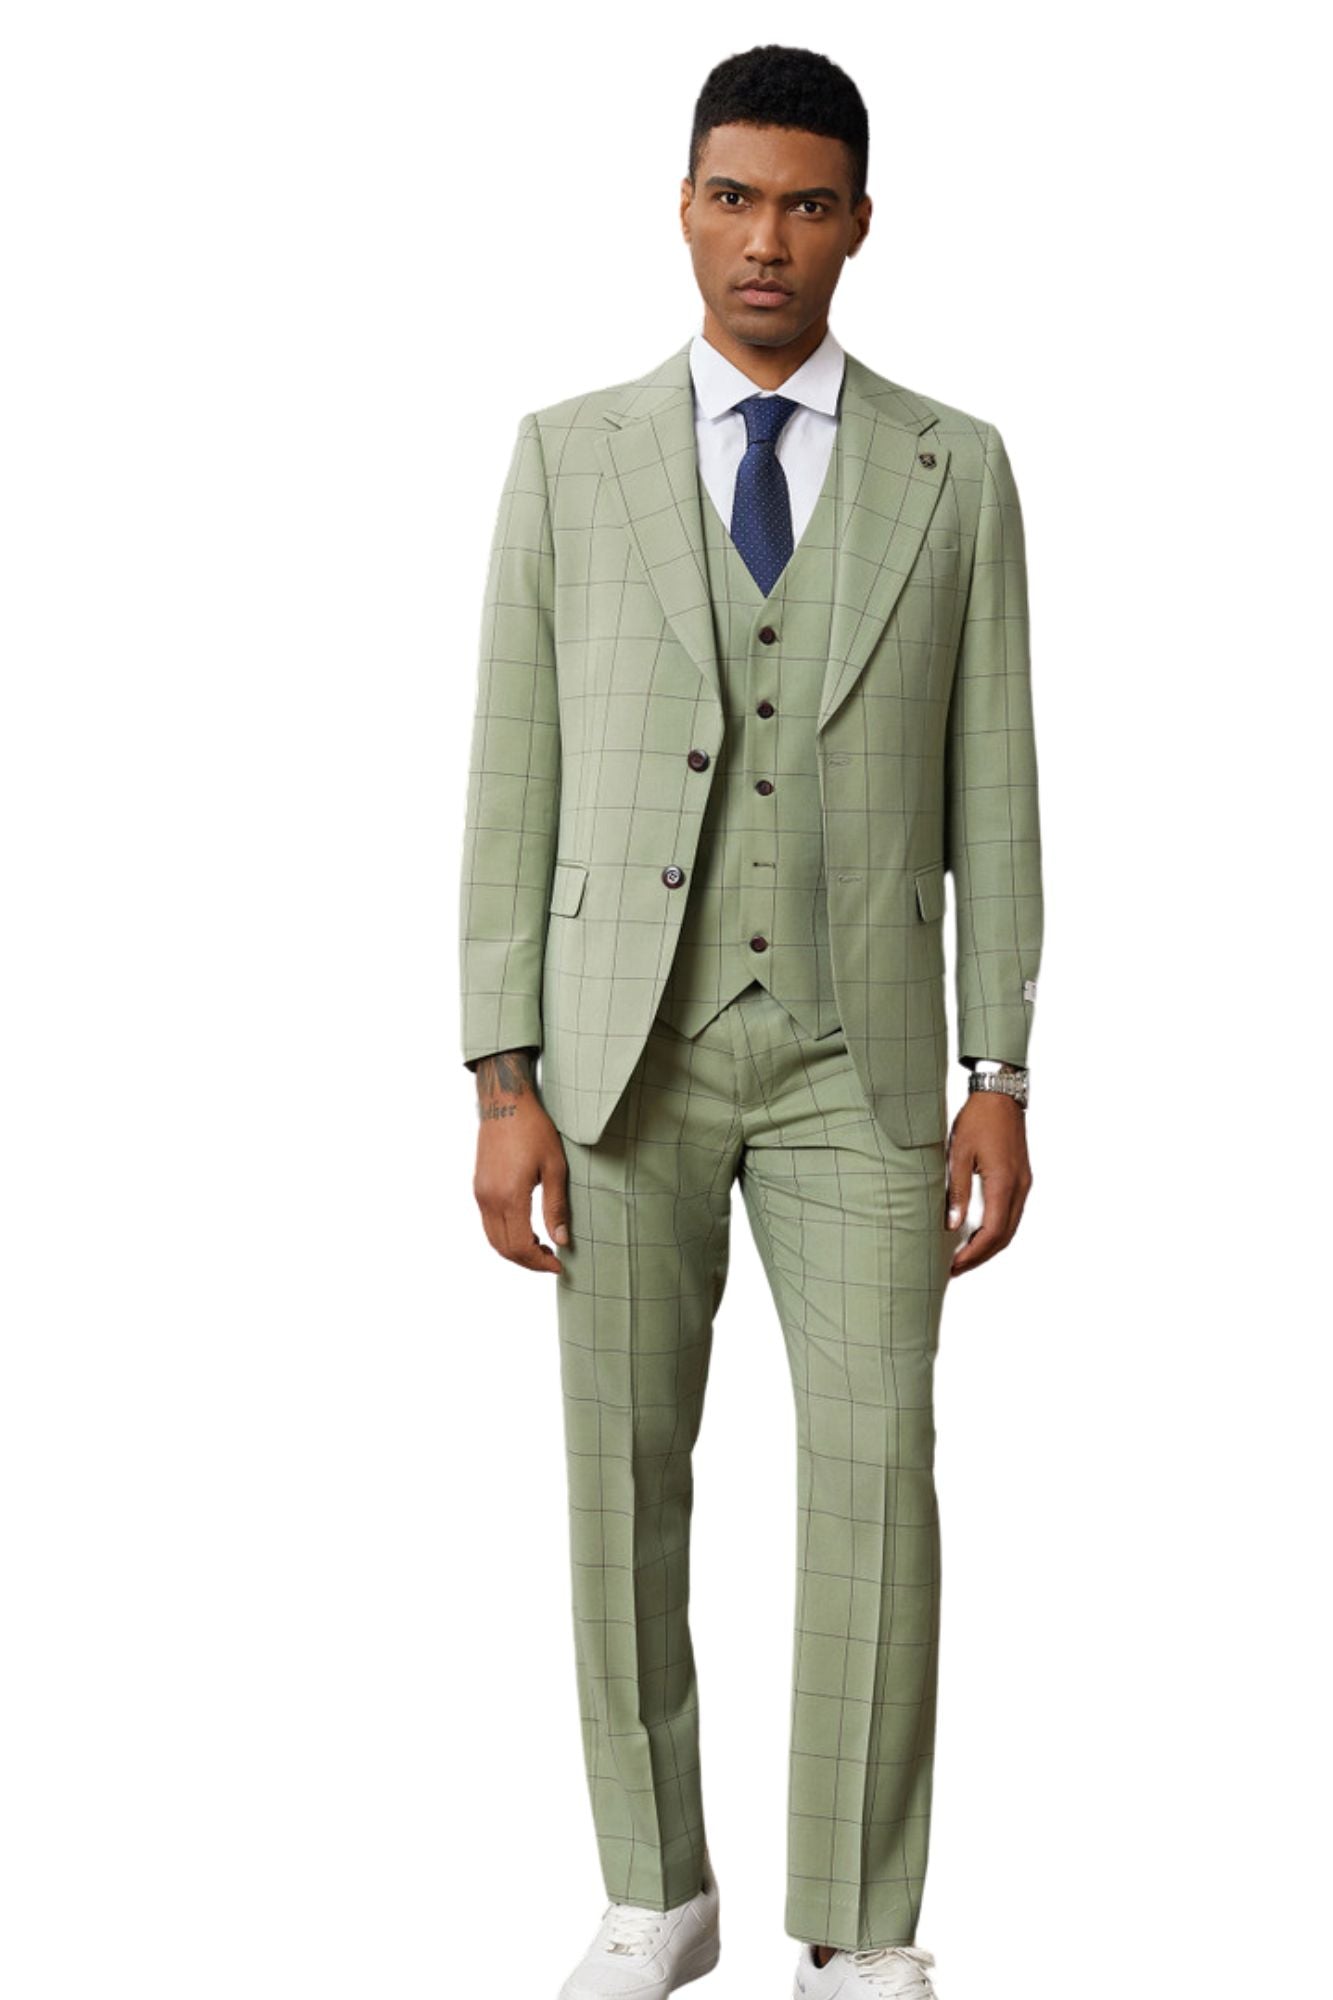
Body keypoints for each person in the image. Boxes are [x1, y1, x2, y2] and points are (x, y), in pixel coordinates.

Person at [458, 41, 1042, 2000]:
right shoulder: (570, 455)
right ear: (683, 209)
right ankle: (656, 1891)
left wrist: (998, 1066)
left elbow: (994, 782)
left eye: (804, 203)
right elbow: (512, 775)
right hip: (617, 1054)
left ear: (857, 222)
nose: (765, 240)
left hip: (859, 1059)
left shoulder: (957, 468)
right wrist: (500, 1074)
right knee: (620, 1474)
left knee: (877, 1476)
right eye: (732, 198)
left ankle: (860, 1927)